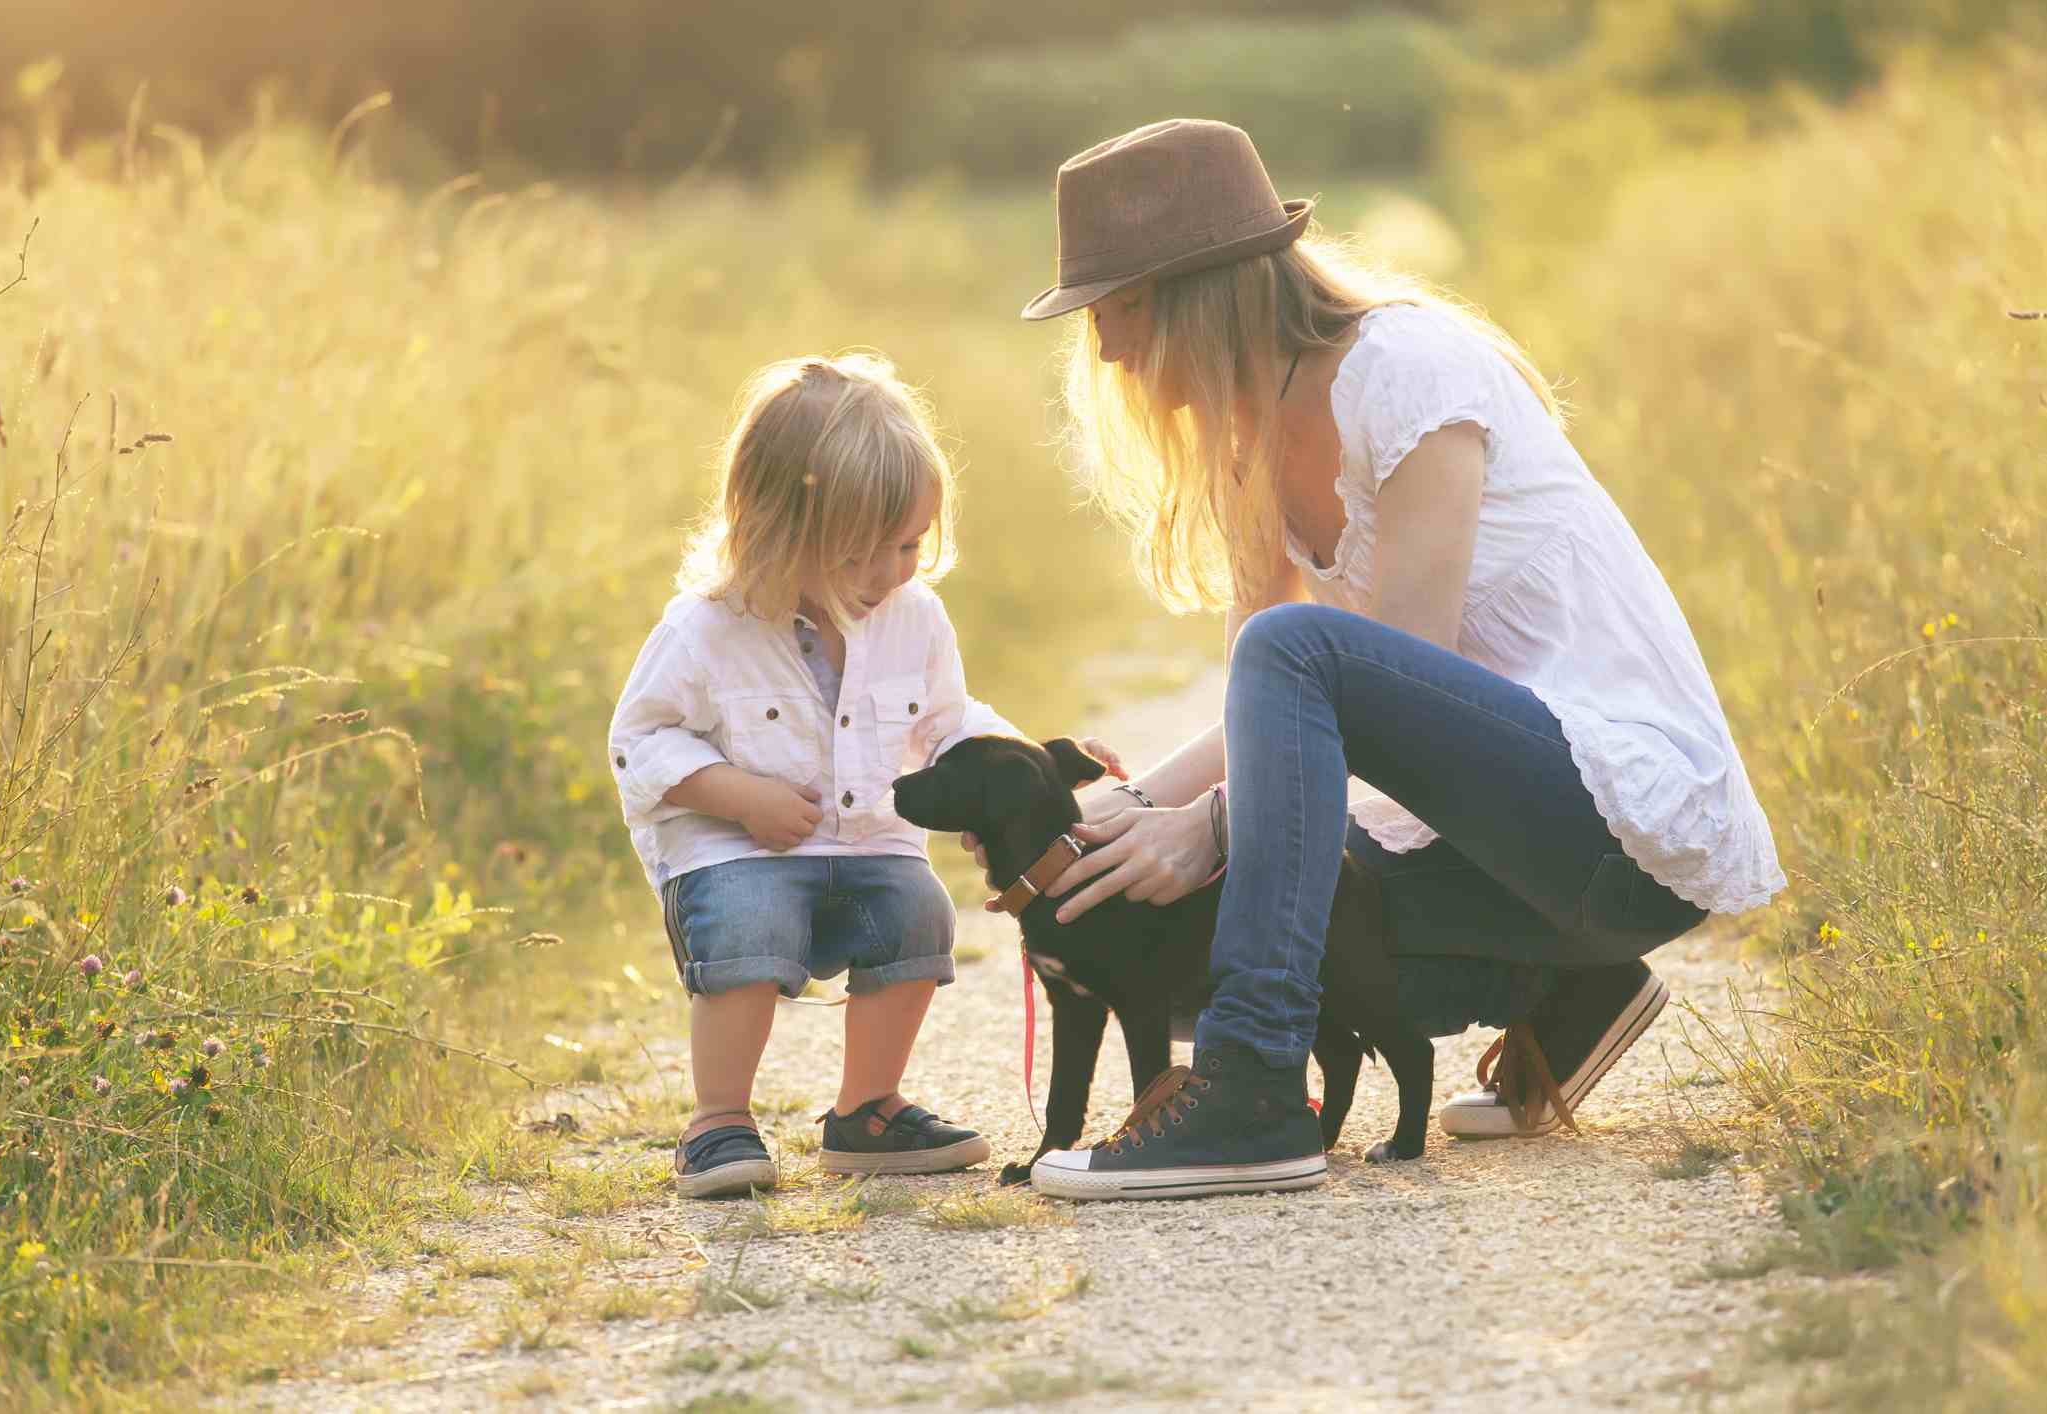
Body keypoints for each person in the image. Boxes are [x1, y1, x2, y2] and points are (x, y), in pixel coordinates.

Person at [1007, 120, 1785, 1201]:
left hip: (1618, 823)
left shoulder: (1410, 373)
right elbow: (1265, 717)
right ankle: (1568, 981)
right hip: (1507, 855)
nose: (1105, 350)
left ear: (1204, 290)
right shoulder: (1251, 434)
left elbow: (1384, 673)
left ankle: (1253, 1094)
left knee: (1289, 663)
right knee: (1153, 932)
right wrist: (1125, 812)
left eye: (1119, 309)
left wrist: (1218, 824)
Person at [607, 353, 1029, 1197]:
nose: (888, 574)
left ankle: (865, 1112)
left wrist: (1026, 764)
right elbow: (640, 737)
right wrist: (737, 796)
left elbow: (948, 722)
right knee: (749, 929)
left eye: (908, 545)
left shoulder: (915, 619)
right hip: (739, 854)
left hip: (867, 839)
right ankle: (718, 1122)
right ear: (775, 534)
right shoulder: (706, 628)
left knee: (916, 911)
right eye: (857, 556)